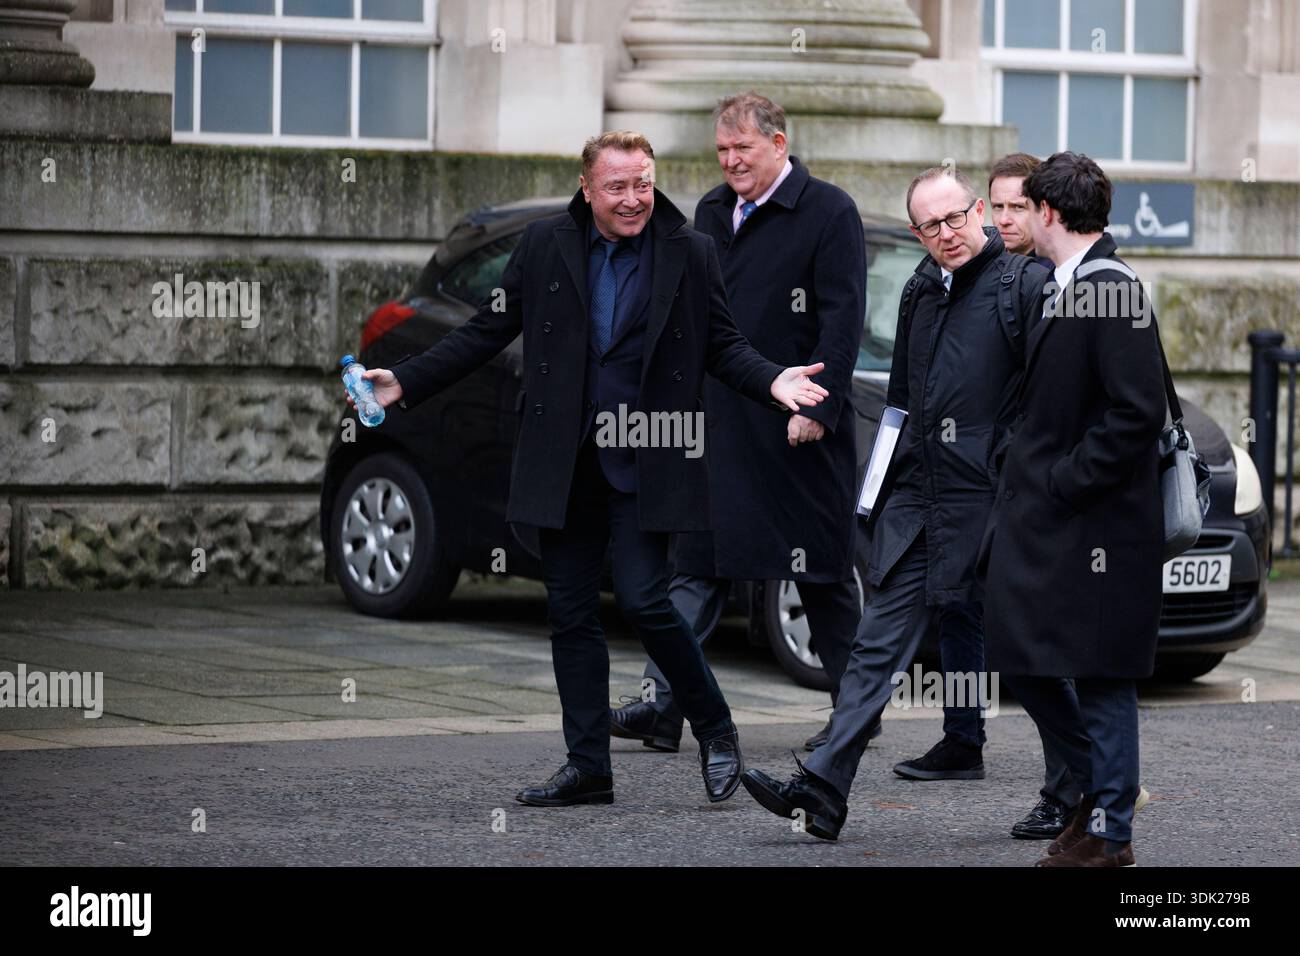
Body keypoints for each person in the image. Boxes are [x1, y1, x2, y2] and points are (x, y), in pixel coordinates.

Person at [350, 131, 830, 807]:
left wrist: (773, 380)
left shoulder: (689, 251)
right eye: (617, 187)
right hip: (564, 460)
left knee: (645, 600)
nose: (633, 199)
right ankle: (588, 767)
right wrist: (406, 381)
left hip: (648, 456)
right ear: (586, 187)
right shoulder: (545, 245)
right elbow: (486, 330)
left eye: (643, 184)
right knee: (571, 612)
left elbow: (722, 345)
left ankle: (715, 727)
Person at [739, 165, 1049, 840]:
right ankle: (823, 789)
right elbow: (900, 404)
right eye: (931, 226)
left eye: (956, 217)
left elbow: (1047, 401)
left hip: (991, 504)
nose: (948, 233)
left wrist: (1018, 480)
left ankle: (1079, 788)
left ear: (977, 211)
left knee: (1034, 654)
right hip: (919, 501)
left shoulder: (1023, 285)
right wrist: (876, 494)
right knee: (875, 647)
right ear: (917, 233)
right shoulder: (919, 290)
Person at [609, 92, 867, 755]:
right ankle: (661, 705)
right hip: (721, 422)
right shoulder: (710, 211)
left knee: (821, 578)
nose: (730, 161)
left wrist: (819, 408)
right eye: (722, 150)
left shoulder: (830, 211)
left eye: (742, 148)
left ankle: (855, 716)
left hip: (795, 425)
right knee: (695, 567)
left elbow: (843, 321)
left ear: (779, 144)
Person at [979, 151, 1166, 867]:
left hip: (1098, 527)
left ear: (1049, 212)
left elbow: (1136, 413)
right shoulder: (1070, 285)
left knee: (1101, 675)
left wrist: (1063, 480)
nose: (1016, 220)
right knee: (1026, 653)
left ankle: (1110, 833)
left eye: (1025, 207)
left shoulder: (1109, 289)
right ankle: (1099, 798)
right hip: (1062, 523)